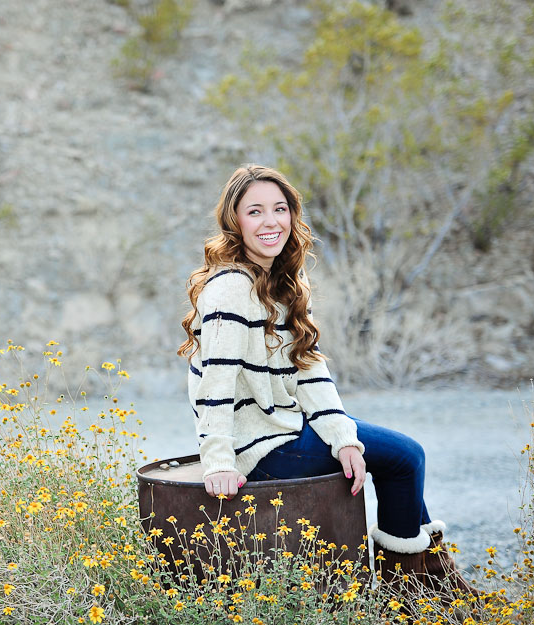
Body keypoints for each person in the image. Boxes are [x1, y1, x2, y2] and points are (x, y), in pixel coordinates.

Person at [177, 164, 477, 600]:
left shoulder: (284, 281)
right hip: (259, 445)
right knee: (405, 457)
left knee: (391, 455)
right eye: (255, 211)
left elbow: (310, 370)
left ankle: (429, 583)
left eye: (280, 209)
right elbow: (216, 383)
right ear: (234, 221)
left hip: (286, 427)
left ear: (292, 215)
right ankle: (411, 592)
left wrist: (343, 437)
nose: (271, 221)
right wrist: (219, 462)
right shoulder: (231, 289)